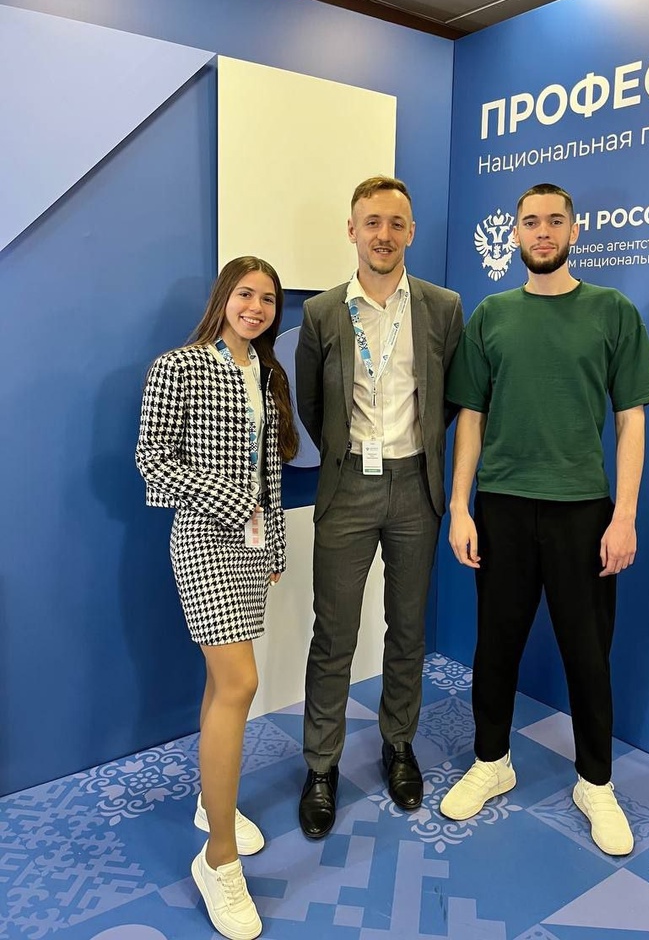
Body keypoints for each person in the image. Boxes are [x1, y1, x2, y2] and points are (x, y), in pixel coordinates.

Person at [441, 183, 649, 856]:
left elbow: (631, 420)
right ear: (515, 233)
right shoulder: (492, 315)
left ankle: (595, 783)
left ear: (574, 230)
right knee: (495, 647)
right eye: (530, 221)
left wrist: (624, 515)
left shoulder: (612, 311)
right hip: (502, 506)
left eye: (554, 221)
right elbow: (471, 418)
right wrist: (459, 506)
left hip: (583, 511)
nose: (542, 231)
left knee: (587, 656)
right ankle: (491, 762)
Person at [295, 175, 463, 838]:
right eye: (372, 222)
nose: (384, 235)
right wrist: (348, 453)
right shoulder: (322, 314)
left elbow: (451, 398)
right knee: (334, 634)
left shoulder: (444, 308)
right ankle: (321, 765)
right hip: (348, 489)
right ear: (352, 230)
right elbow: (312, 404)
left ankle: (399, 746)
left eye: (396, 223)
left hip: (416, 486)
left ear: (411, 232)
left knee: (408, 629)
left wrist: (414, 454)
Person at [136, 256, 298, 940]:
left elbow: (269, 471)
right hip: (203, 538)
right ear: (223, 297)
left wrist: (275, 546)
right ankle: (219, 860)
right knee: (241, 683)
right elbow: (153, 460)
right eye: (245, 294)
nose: (255, 307)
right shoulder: (179, 365)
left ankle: (212, 804)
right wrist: (228, 500)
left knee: (220, 685)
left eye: (267, 299)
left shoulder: (267, 373)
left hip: (253, 548)